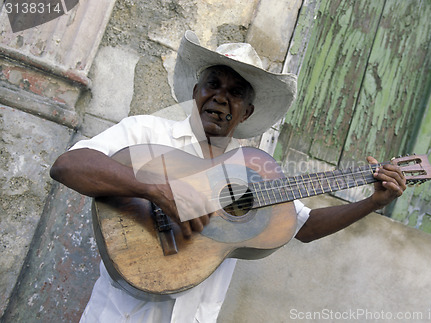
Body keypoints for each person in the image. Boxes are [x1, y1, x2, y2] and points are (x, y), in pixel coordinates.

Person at [50, 31, 406, 322]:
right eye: (213, 85)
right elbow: (69, 165)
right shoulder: (147, 133)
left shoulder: (252, 169)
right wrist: (157, 191)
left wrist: (372, 201)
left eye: (235, 93)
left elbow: (306, 225)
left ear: (247, 111)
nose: (220, 98)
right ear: (196, 92)